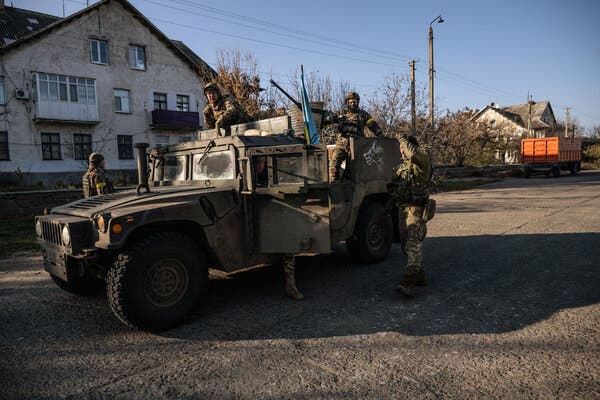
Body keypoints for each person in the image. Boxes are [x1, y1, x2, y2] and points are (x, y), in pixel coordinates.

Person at [389, 135, 434, 297]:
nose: (402, 152)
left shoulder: (422, 161)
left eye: (404, 148)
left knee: (413, 244)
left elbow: (413, 154)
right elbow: (394, 188)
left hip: (416, 210)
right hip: (403, 209)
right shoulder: (403, 166)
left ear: (411, 147)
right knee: (404, 246)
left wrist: (400, 137)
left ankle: (408, 282)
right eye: (400, 149)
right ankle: (420, 276)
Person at [324, 92, 383, 181]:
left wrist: (380, 134)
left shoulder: (363, 114)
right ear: (347, 103)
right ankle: (334, 185)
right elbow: (328, 121)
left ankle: (348, 187)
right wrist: (324, 119)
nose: (353, 104)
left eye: (355, 102)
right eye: (351, 102)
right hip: (342, 144)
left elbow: (372, 124)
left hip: (357, 145)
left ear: (358, 102)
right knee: (334, 164)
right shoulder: (340, 113)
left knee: (351, 169)